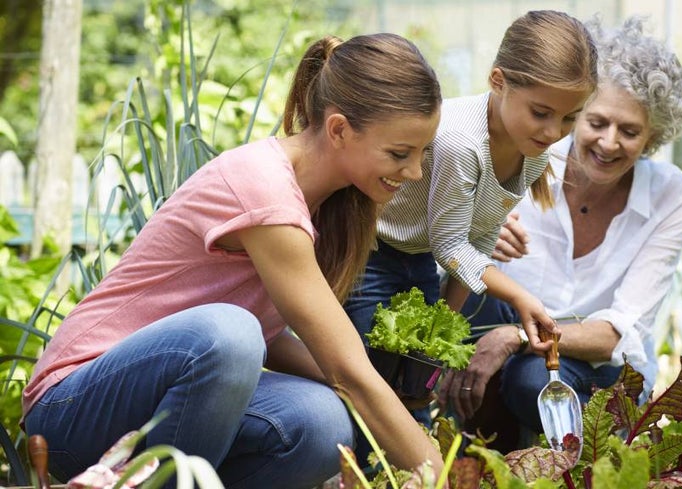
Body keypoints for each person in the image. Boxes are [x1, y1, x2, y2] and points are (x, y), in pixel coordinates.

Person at [21, 33, 444, 489]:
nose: (416, 172)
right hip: (72, 407)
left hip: (166, 401)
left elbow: (270, 335)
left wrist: (356, 386)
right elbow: (340, 368)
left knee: (321, 424)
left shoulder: (327, 205)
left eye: (423, 153)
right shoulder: (264, 190)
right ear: (339, 129)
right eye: (400, 153)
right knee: (230, 334)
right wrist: (445, 477)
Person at [439, 15, 682, 451]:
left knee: (531, 380)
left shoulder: (668, 196)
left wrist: (517, 338)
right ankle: (481, 445)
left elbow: (615, 336)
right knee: (475, 299)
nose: (609, 143)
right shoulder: (531, 155)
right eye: (596, 122)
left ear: (653, 135)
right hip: (507, 329)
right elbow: (445, 245)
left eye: (630, 131)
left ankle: (585, 453)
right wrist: (482, 228)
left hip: (596, 366)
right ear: (575, 115)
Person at [344, 9, 599, 359]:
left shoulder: (534, 150)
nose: (554, 132)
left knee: (418, 375)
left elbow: (479, 240)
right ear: (498, 81)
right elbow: (450, 246)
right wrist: (518, 294)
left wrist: (444, 322)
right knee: (371, 373)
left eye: (570, 118)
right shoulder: (462, 142)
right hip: (371, 254)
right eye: (540, 113)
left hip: (418, 262)